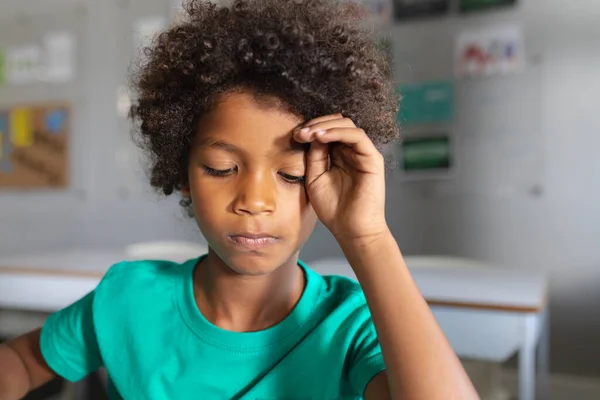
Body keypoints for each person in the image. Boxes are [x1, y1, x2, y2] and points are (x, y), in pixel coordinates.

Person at [0, 0, 478, 399]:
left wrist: (368, 237)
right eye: (221, 169)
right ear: (183, 172)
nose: (254, 200)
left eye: (291, 174)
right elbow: (21, 361)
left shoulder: (349, 327)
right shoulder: (130, 298)